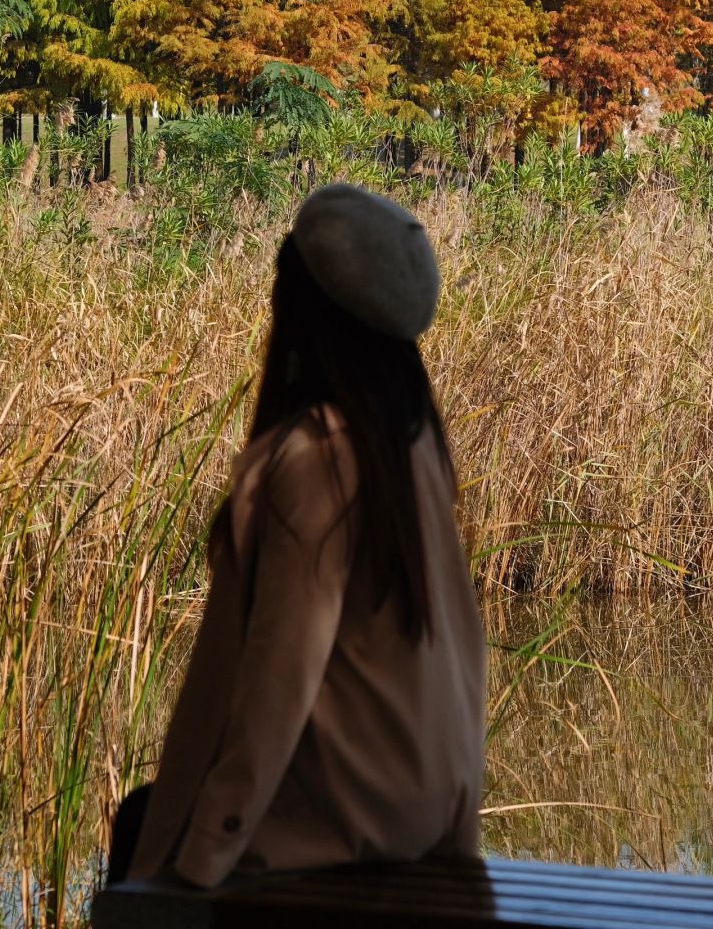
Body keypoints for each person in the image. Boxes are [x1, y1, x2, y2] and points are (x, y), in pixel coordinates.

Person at [111, 183, 487, 889]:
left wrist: (203, 857)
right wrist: (458, 833)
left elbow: (278, 678)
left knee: (141, 827)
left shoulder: (315, 457)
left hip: (347, 819)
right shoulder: (413, 446)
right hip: (425, 814)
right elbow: (464, 650)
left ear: (304, 312)